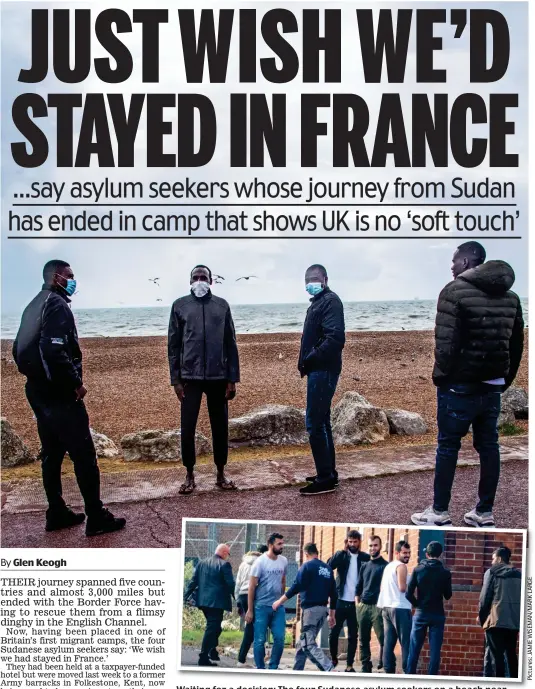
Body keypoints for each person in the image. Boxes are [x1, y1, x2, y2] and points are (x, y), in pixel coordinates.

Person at [412, 242, 524, 528]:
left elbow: (445, 345)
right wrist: (504, 379)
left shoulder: (453, 292)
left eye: (454, 260)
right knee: (489, 446)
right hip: (492, 386)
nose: (451, 266)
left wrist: (442, 377)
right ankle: (484, 512)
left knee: (448, 446)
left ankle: (439, 512)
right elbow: (516, 343)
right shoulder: (510, 297)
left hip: (459, 386)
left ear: (467, 261)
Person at [12, 259, 126, 537]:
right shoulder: (57, 305)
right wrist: (74, 384)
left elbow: (18, 349)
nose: (74, 281)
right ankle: (96, 516)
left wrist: (37, 380)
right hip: (59, 395)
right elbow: (53, 350)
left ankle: (56, 511)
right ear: (55, 277)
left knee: (51, 454)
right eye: (69, 276)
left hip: (37, 392)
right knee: (84, 455)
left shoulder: (34, 304)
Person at [168, 265, 240, 495]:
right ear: (190, 281)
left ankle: (220, 473)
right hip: (190, 378)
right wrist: (176, 380)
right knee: (187, 428)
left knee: (220, 427)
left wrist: (232, 378)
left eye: (204, 277)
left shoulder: (222, 306)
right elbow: (173, 346)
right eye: (196, 277)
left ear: (211, 281)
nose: (200, 281)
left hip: (218, 377)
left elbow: (231, 343)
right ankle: (189, 474)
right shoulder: (180, 306)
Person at [298, 264, 345, 496]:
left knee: (314, 423)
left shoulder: (330, 301)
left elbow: (335, 338)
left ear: (325, 279)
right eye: (308, 279)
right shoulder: (318, 302)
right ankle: (328, 472)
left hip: (323, 370)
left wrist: (311, 357)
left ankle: (325, 478)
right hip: (319, 369)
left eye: (315, 278)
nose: (311, 283)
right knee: (323, 422)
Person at [272, 542, 337, 672]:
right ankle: (297, 671)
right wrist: (332, 615)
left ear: (306, 554)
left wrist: (279, 601)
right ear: (317, 553)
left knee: (307, 643)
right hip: (323, 611)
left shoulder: (307, 566)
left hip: (311, 611)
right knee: (301, 643)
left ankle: (329, 669)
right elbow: (334, 594)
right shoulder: (328, 569)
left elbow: (296, 587)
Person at [184, 543, 235, 667]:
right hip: (216, 603)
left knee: (215, 628)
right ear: (224, 553)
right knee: (212, 628)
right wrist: (237, 599)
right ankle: (203, 657)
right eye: (228, 554)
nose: (228, 556)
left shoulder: (202, 563)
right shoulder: (224, 565)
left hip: (202, 601)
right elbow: (230, 584)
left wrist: (186, 596)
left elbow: (193, 581)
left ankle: (212, 651)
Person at [406, 541, 452, 675]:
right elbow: (448, 595)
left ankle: (409, 678)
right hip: (437, 614)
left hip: (421, 613)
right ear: (441, 554)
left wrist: (417, 604)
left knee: (414, 649)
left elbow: (408, 593)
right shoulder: (445, 572)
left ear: (427, 554)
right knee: (435, 652)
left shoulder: (418, 569)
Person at [328, 530, 370, 672]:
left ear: (359, 542)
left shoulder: (365, 557)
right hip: (340, 600)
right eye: (350, 542)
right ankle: (333, 659)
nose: (352, 544)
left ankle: (349, 665)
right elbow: (329, 565)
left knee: (353, 636)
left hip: (355, 603)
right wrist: (342, 551)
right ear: (347, 542)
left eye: (355, 542)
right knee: (334, 633)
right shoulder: (342, 556)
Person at [246, 533, 288, 670]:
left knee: (280, 639)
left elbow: (283, 580)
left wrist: (281, 600)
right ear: (270, 545)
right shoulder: (260, 562)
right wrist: (250, 610)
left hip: (278, 607)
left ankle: (273, 667)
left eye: (282, 543)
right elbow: (251, 587)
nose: (282, 546)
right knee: (259, 640)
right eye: (279, 544)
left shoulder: (284, 561)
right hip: (261, 606)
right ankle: (260, 668)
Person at [478, 546, 521, 679]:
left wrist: (482, 618)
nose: (491, 562)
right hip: (514, 622)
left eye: (493, 558)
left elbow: (485, 598)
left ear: (500, 558)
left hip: (495, 621)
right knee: (511, 656)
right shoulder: (519, 574)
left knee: (496, 658)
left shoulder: (492, 572)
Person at [377, 540, 412, 674]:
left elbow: (381, 588)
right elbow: (403, 588)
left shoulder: (388, 567)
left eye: (409, 553)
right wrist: (413, 587)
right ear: (397, 553)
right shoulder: (401, 566)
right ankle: (407, 671)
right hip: (400, 607)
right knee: (406, 642)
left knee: (388, 642)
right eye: (404, 553)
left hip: (386, 607)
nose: (407, 555)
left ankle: (388, 671)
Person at [356, 535, 388, 673]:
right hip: (363, 606)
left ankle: (385, 662)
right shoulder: (364, 566)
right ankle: (365, 665)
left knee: (383, 637)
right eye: (370, 545)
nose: (372, 548)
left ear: (380, 546)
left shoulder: (385, 566)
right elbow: (358, 587)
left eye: (375, 545)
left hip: (377, 607)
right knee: (363, 639)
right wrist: (358, 604)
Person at [234, 550, 261, 668]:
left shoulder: (242, 564)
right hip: (254, 595)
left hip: (242, 595)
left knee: (250, 626)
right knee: (254, 628)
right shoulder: (260, 563)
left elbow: (238, 583)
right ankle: (244, 659)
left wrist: (237, 601)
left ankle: (242, 659)